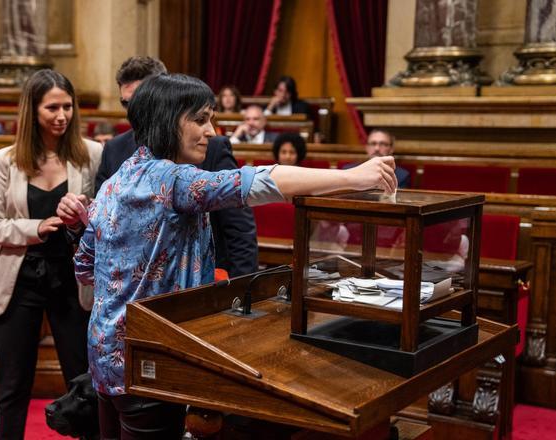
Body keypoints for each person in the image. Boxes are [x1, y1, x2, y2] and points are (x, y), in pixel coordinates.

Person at [74, 73, 397, 439]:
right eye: (199, 119)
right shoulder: (175, 180)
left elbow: (85, 268)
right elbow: (258, 182)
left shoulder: (114, 182)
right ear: (166, 121)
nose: (211, 131)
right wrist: (354, 177)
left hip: (103, 355)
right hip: (149, 361)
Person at [0, 69, 102, 440]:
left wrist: (84, 213)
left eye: (67, 106)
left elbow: (106, 215)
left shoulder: (92, 154)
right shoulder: (6, 159)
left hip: (73, 278)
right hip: (20, 278)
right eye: (52, 108)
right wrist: (35, 228)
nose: (62, 116)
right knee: (13, 383)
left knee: (83, 378)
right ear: (33, 110)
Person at [59, 55, 258, 278]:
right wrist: (78, 222)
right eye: (126, 103)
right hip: (133, 287)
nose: (133, 111)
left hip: (202, 280)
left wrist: (244, 288)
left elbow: (238, 228)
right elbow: (103, 230)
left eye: (140, 100)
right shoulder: (115, 149)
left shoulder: (210, 146)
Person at [343, 129, 411, 189]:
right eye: (373, 143)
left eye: (383, 144)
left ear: (391, 149)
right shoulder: (349, 170)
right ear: (367, 148)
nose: (377, 148)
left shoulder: (402, 176)